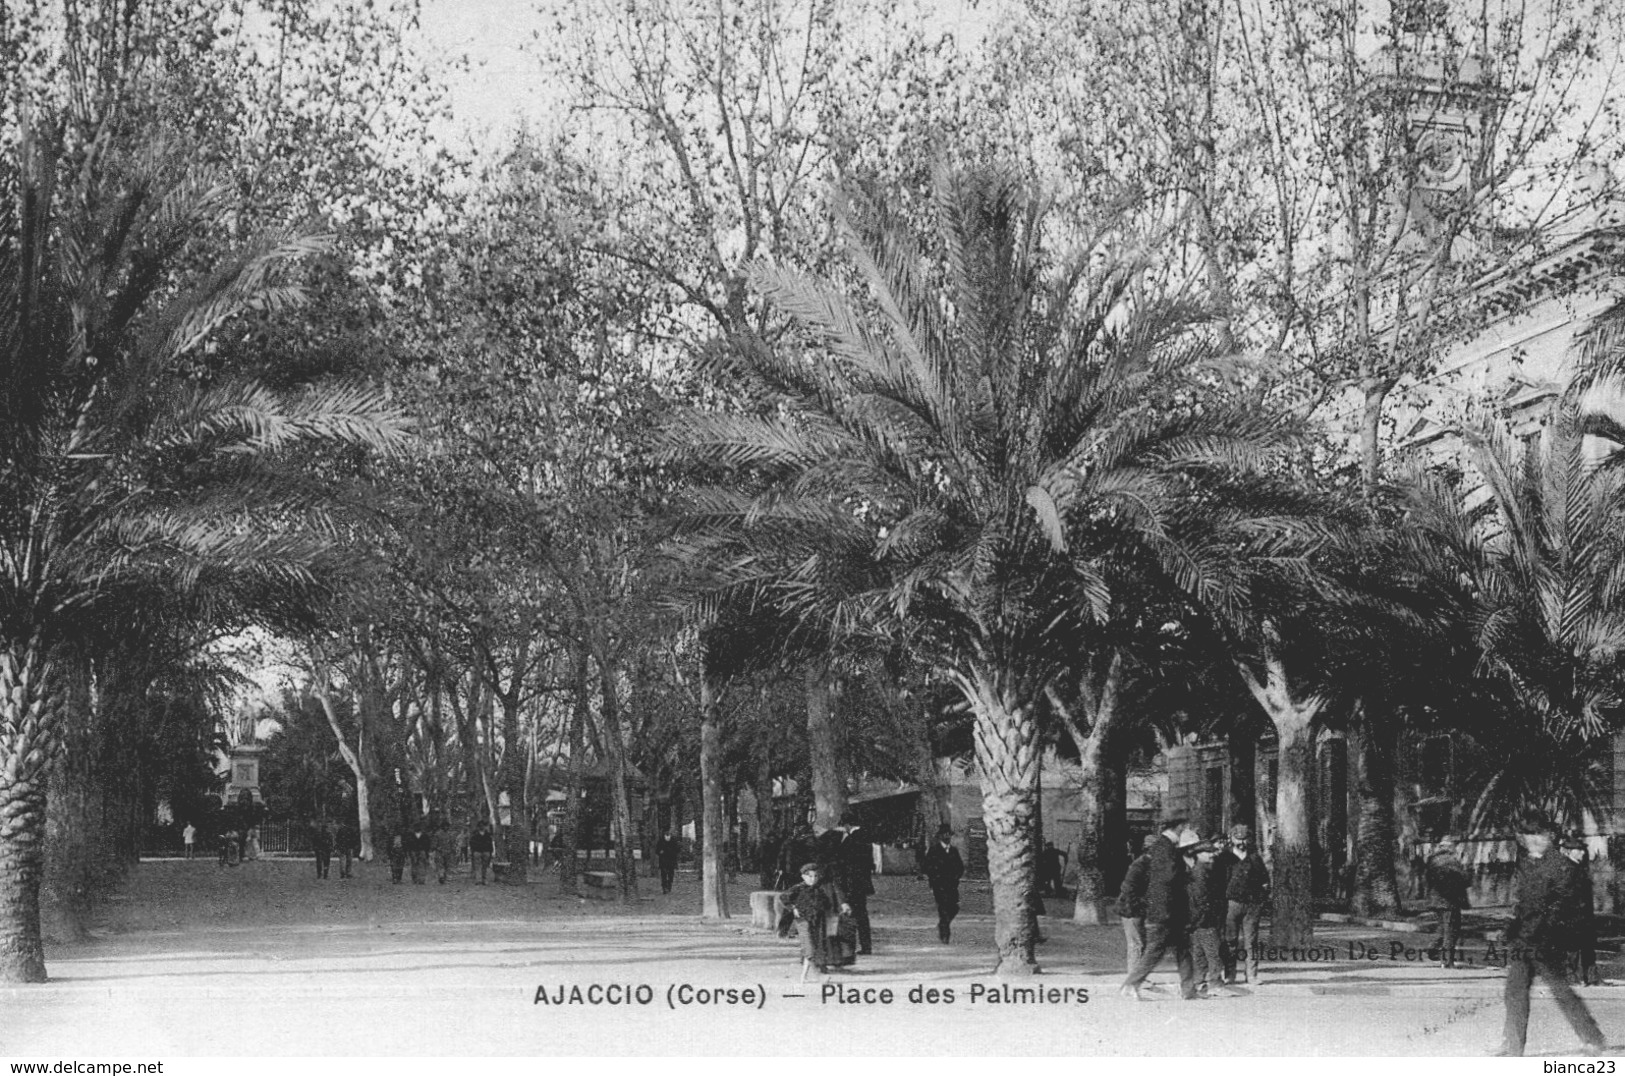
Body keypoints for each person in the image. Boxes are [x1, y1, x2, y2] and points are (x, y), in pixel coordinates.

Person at [1495, 812, 1605, 1057]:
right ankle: (1513, 1047)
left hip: (1547, 941)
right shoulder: (1526, 864)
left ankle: (1593, 1037)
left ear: (1549, 836)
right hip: (1523, 941)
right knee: (1514, 993)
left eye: (1538, 834)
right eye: (1528, 835)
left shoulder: (1561, 866)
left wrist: (1546, 934)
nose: (1533, 840)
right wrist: (1510, 931)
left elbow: (1561, 908)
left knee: (1561, 991)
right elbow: (1522, 904)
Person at [1121, 818, 1198, 1000]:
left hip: (1171, 912)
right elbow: (1166, 881)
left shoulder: (1165, 847)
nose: (1185, 830)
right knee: (1154, 952)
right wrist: (1187, 875)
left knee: (1183, 950)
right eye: (1185, 827)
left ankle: (1188, 990)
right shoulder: (1166, 848)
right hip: (1165, 913)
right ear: (1179, 827)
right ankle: (1130, 984)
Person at [776, 863, 844, 982]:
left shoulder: (819, 890)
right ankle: (817, 976)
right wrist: (793, 908)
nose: (813, 879)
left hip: (817, 922)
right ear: (803, 876)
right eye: (810, 876)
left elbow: (826, 904)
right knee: (809, 948)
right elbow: (783, 897)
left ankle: (804, 976)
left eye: (816, 876)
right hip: (803, 922)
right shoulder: (798, 888)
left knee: (813, 948)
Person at [819, 815, 875, 955]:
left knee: (848, 915)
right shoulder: (865, 838)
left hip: (849, 883)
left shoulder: (849, 840)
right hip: (861, 884)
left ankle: (848, 948)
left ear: (847, 825)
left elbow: (842, 864)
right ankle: (866, 946)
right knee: (862, 915)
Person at [1223, 824, 1270, 985]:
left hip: (1252, 906)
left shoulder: (1255, 858)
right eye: (1238, 839)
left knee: (1251, 942)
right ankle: (1230, 974)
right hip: (1231, 905)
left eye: (1244, 839)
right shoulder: (1225, 857)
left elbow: (1265, 881)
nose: (1241, 843)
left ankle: (1252, 974)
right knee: (1230, 941)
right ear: (1231, 838)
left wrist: (1260, 901)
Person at [1188, 839, 1232, 997]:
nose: (1212, 855)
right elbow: (1201, 900)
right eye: (1208, 852)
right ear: (1199, 855)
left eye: (1213, 851)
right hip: (1205, 920)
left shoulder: (1203, 870)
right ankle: (1215, 983)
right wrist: (1209, 918)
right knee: (1213, 953)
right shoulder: (1201, 873)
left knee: (1199, 953)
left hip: (1197, 920)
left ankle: (1198, 982)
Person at [1426, 837, 1471, 968]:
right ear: (1450, 847)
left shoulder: (1432, 860)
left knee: (1442, 927)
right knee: (1451, 931)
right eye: (1454, 846)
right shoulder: (1452, 861)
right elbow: (1464, 879)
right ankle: (1447, 961)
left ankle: (1433, 949)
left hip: (1436, 899)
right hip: (1449, 900)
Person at [1560, 835, 1599, 986]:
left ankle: (1593, 978)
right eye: (1579, 850)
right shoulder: (1566, 869)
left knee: (1588, 946)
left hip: (1584, 915)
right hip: (1573, 915)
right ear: (1569, 852)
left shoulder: (1578, 868)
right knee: (1572, 948)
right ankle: (1570, 978)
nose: (1583, 853)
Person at [1118, 835, 1158, 979]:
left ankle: (1138, 977)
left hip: (1137, 909)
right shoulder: (1140, 865)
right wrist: (1143, 903)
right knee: (1136, 944)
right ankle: (1134, 978)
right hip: (1131, 909)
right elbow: (1128, 890)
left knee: (1140, 943)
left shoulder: (1149, 864)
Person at [921, 825, 964, 943]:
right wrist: (934, 877)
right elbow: (926, 866)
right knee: (943, 908)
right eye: (944, 835)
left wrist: (956, 877)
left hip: (952, 885)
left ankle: (942, 924)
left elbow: (960, 867)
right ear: (940, 837)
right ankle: (945, 934)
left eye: (948, 835)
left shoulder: (954, 851)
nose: (947, 837)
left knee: (954, 907)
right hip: (939, 885)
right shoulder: (934, 850)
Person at [655, 830, 681, 894]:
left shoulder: (674, 840)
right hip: (663, 860)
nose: (667, 833)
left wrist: (673, 852)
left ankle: (669, 887)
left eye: (669, 832)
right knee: (663, 875)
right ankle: (664, 888)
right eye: (666, 832)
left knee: (670, 875)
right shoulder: (661, 840)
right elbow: (657, 850)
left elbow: (678, 849)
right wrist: (660, 852)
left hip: (671, 860)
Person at [470, 819, 495, 885]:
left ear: (485, 826)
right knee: (477, 866)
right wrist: (473, 850)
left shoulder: (488, 835)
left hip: (486, 851)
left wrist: (491, 852)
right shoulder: (475, 835)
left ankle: (485, 879)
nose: (482, 827)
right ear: (478, 827)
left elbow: (490, 844)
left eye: (483, 825)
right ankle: (478, 880)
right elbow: (471, 843)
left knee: (485, 866)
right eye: (480, 825)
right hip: (477, 851)